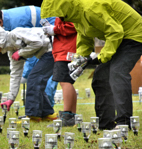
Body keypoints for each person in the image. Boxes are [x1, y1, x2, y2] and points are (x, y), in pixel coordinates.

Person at [41, 0, 142, 129]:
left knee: (117, 72)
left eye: (60, 14)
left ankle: (124, 122)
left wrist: (102, 57)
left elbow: (115, 31)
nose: (60, 18)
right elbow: (85, 38)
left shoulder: (90, 8)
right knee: (100, 77)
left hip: (135, 34)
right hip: (120, 37)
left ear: (66, 7)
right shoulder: (76, 16)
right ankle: (105, 124)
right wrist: (79, 58)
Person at [0, 6, 58, 115]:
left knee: (34, 78)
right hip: (46, 52)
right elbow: (15, 74)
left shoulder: (15, 32)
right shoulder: (11, 50)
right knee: (35, 78)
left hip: (54, 48)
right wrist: (11, 98)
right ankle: (47, 113)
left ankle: (33, 115)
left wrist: (21, 53)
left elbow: (38, 43)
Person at [43, 17, 77, 126]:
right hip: (63, 50)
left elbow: (73, 25)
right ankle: (71, 116)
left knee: (65, 82)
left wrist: (55, 30)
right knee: (67, 82)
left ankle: (67, 117)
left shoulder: (67, 8)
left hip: (65, 50)